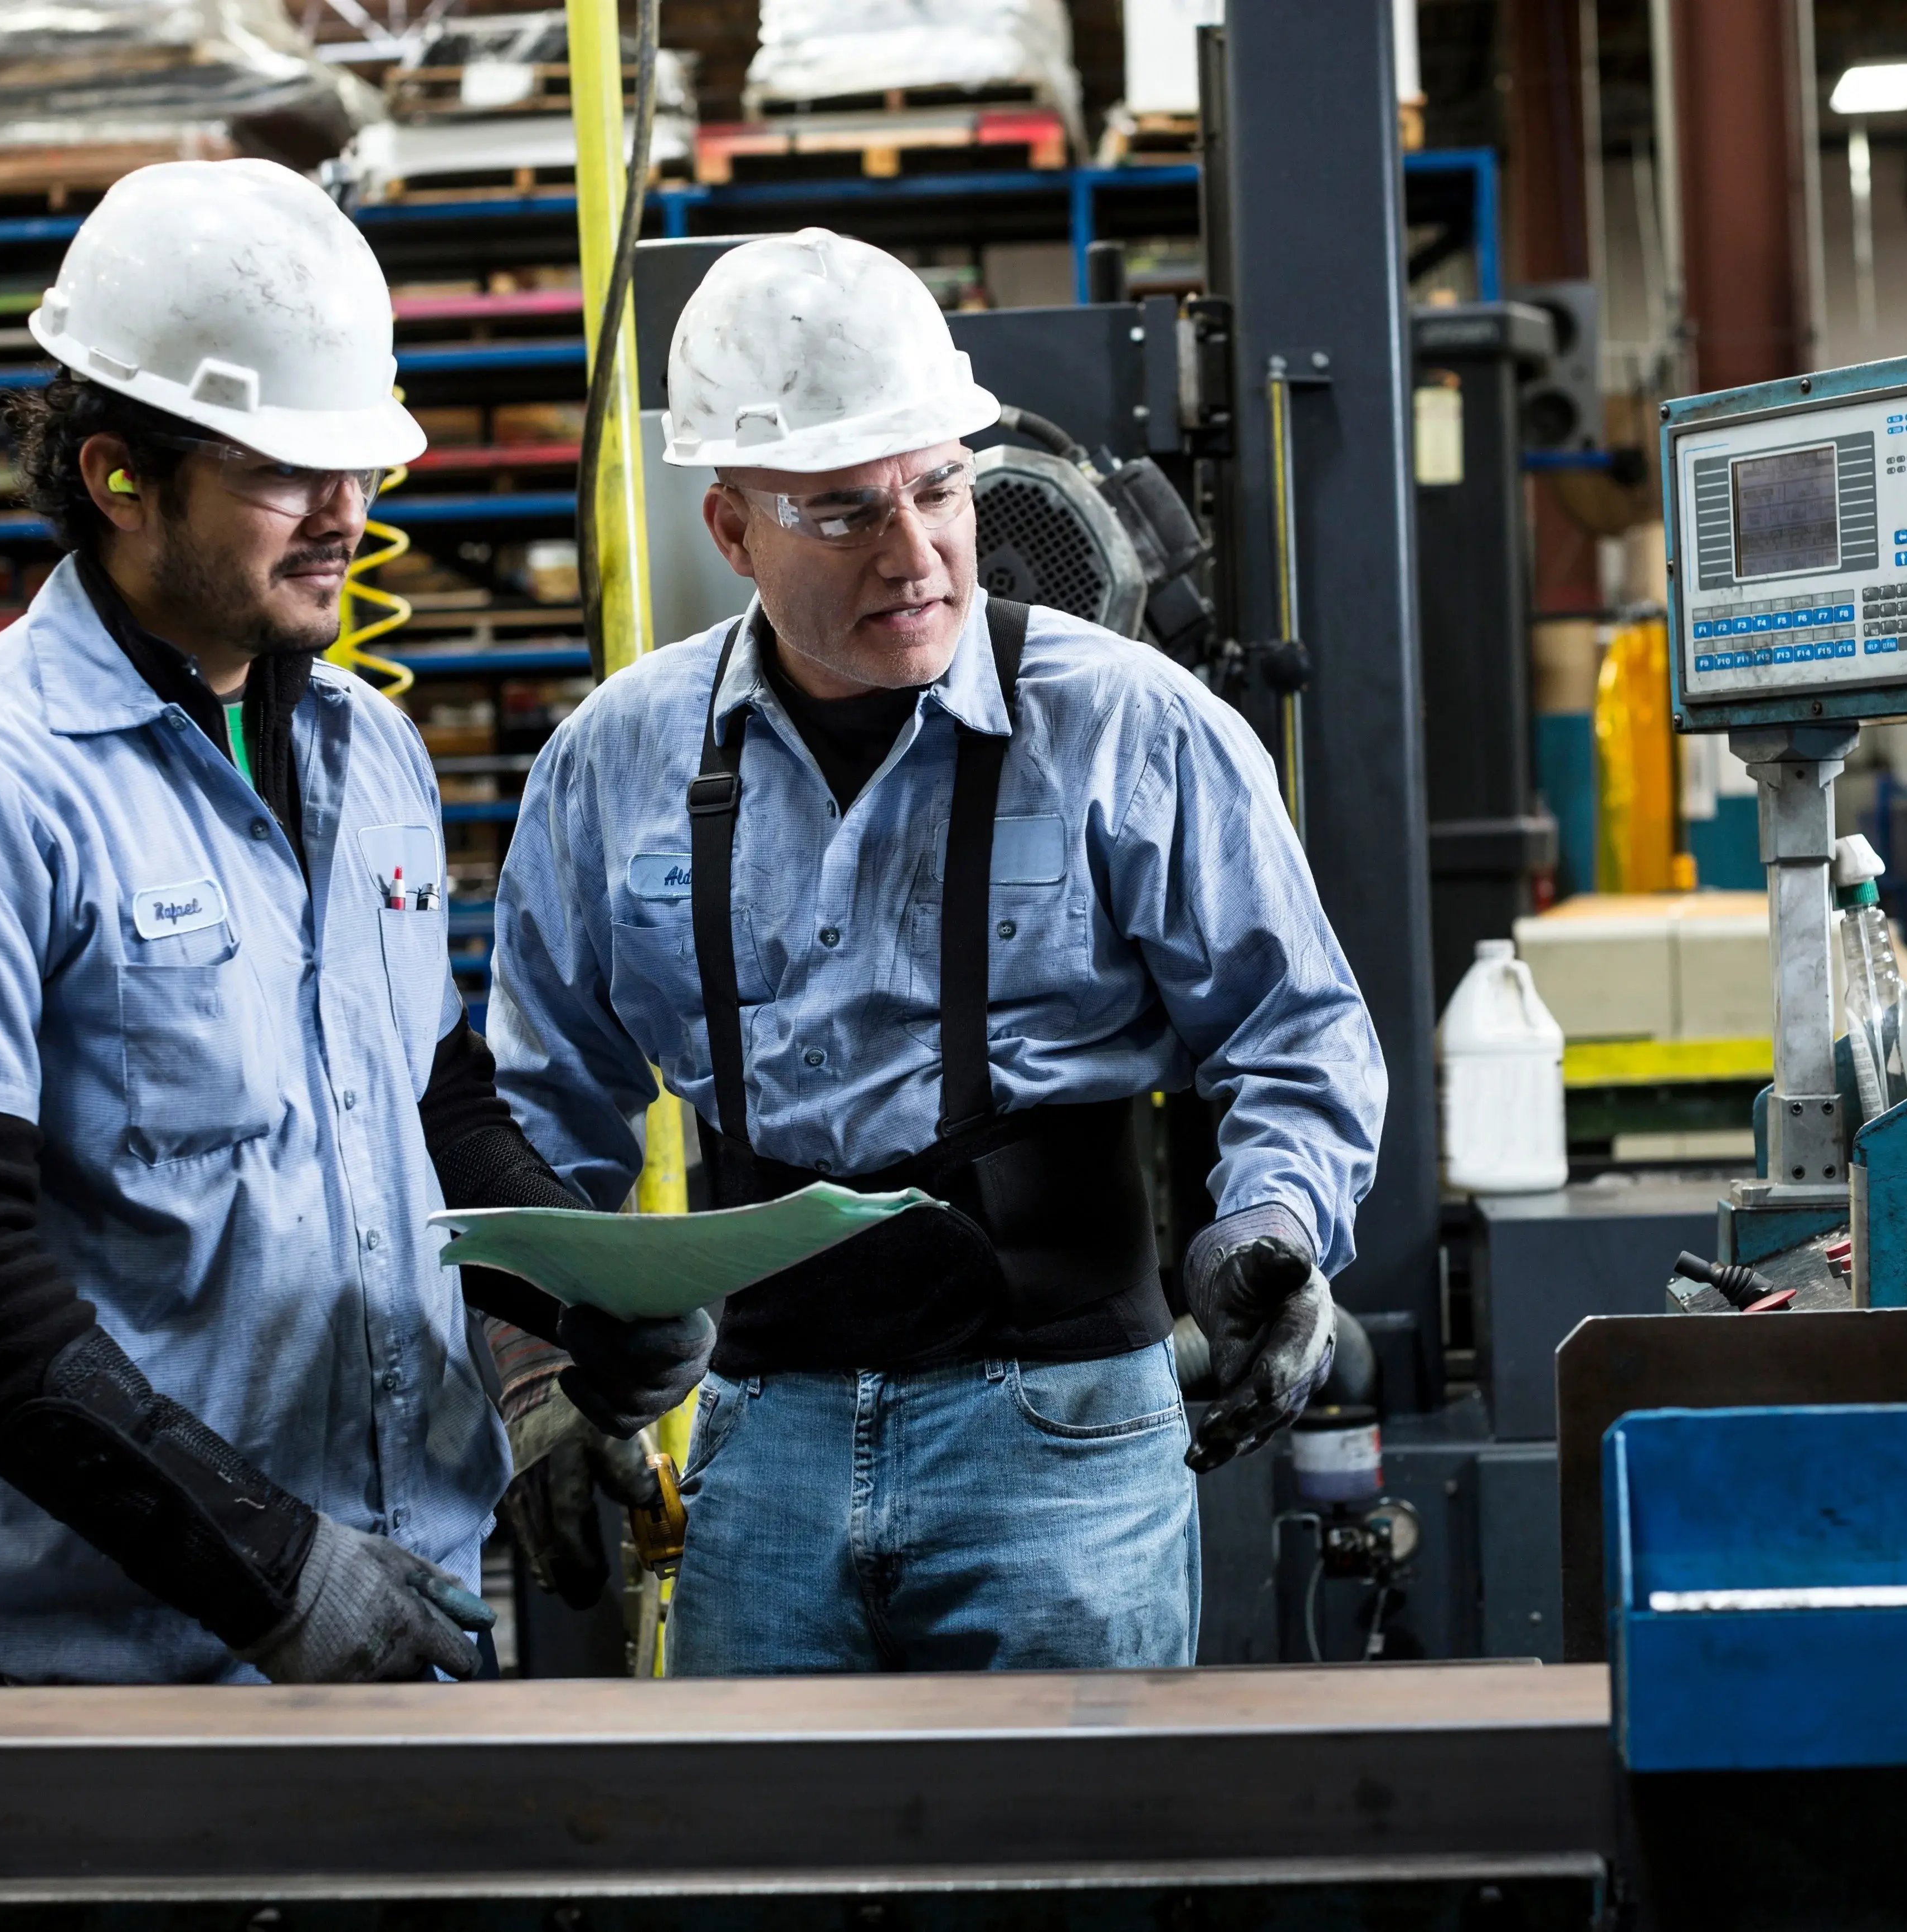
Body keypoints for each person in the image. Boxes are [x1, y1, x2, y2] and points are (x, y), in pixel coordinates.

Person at [0, 158, 708, 1685]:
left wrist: (576, 1312)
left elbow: (428, 1108)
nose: (349, 514)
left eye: (361, 467)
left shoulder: (371, 755)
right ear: (119, 477)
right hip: (110, 1671)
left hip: (403, 1606)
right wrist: (265, 1565)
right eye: (288, 471)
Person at [490, 228, 1386, 1675]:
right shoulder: (614, 765)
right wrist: (537, 1375)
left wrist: (1273, 1230)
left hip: (1062, 1435)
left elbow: (1291, 1031)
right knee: (768, 1879)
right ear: (732, 530)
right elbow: (538, 1108)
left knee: (1067, 1875)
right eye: (845, 512)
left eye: (941, 489)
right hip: (759, 1441)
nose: (917, 556)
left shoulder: (1131, 731)